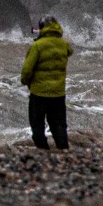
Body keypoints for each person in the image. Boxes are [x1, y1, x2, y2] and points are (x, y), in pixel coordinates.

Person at [20, 14, 73, 149]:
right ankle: (64, 151)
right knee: (59, 125)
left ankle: (44, 151)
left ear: (42, 28)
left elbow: (26, 71)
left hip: (39, 94)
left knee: (37, 126)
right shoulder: (64, 45)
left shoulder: (37, 46)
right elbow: (69, 51)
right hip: (58, 94)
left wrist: (26, 82)